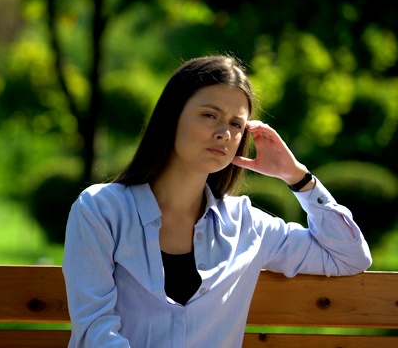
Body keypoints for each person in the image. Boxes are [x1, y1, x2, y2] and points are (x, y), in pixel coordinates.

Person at [62, 54, 372, 347]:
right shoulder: (100, 210)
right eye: (209, 115)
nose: (224, 132)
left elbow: (349, 256)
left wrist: (298, 178)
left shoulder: (247, 225)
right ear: (172, 117)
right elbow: (95, 331)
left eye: (236, 124)